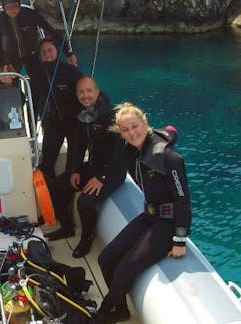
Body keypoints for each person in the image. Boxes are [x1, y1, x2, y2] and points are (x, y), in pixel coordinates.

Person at [91, 102, 192, 323]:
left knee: (123, 272)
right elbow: (171, 131)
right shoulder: (132, 152)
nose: (131, 133)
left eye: (135, 126)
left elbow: (183, 200)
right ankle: (121, 310)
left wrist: (180, 240)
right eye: (125, 130)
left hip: (168, 223)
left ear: (145, 123)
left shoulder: (169, 158)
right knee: (105, 259)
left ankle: (104, 311)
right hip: (149, 215)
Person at [46, 76, 126, 259]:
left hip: (112, 170)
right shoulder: (83, 114)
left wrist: (102, 177)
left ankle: (86, 239)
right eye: (80, 92)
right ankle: (66, 228)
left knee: (85, 202)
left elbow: (121, 153)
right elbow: (79, 145)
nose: (85, 95)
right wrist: (74, 170)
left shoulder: (113, 115)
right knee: (58, 185)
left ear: (97, 92)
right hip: (93, 166)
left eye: (89, 91)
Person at [31, 38, 83, 178]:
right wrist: (32, 128)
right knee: (46, 162)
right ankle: (50, 190)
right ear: (40, 56)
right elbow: (33, 102)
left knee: (73, 165)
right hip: (53, 121)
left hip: (74, 122)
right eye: (43, 52)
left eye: (50, 50)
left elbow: (88, 89)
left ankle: (67, 193)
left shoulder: (70, 71)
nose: (47, 54)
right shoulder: (38, 74)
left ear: (57, 51)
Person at [0, 0, 77, 78]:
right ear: (4, 8)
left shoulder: (30, 14)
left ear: (19, 5)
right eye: (9, 8)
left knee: (38, 80)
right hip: (12, 56)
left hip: (32, 54)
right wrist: (5, 62)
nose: (13, 10)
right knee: (12, 84)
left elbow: (51, 31)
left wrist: (68, 53)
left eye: (15, 6)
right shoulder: (0, 20)